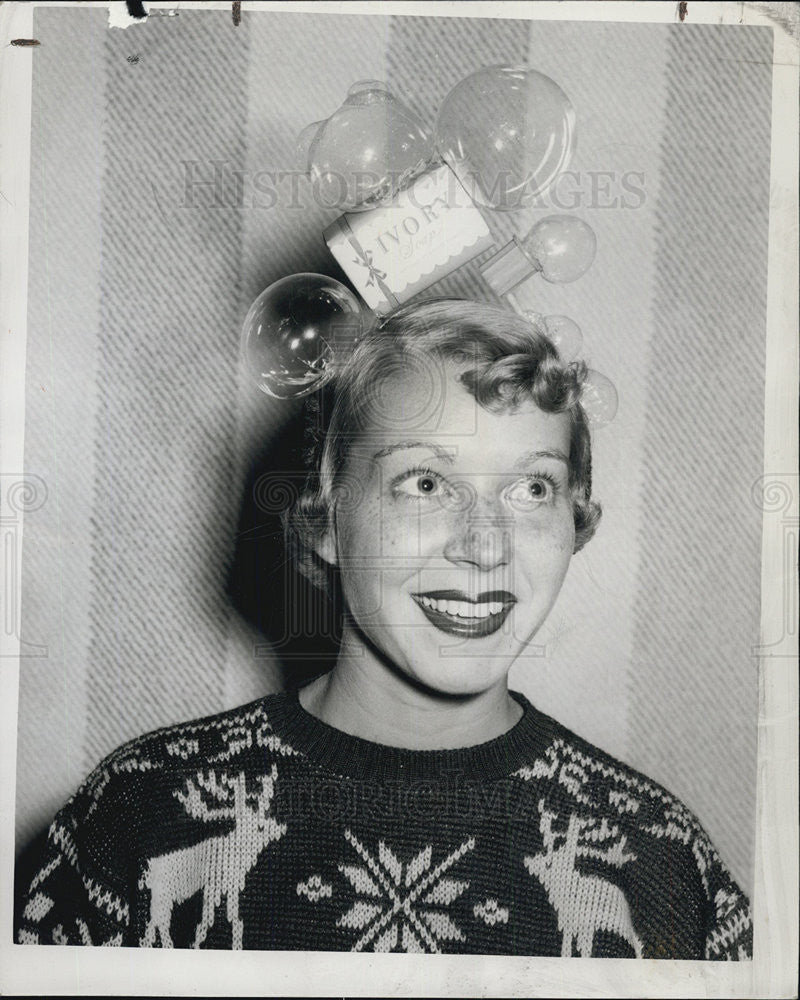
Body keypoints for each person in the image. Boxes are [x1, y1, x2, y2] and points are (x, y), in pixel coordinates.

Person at [16, 299, 751, 957]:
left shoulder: (660, 861)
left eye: (533, 489)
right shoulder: (137, 815)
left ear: (575, 523)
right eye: (426, 484)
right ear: (325, 520)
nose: (485, 545)